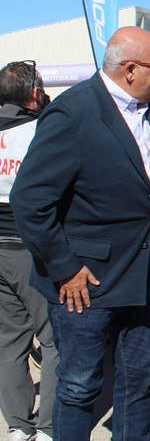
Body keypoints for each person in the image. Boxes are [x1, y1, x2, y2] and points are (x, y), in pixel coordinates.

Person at [10, 27, 150, 441]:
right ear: (129, 70)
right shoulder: (74, 112)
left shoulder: (148, 111)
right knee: (78, 385)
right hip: (84, 282)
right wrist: (65, 268)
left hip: (138, 276)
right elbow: (30, 201)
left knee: (139, 378)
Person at [0, 60, 57, 441]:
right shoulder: (41, 129)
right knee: (55, 342)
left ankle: (19, 425)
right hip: (30, 247)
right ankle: (52, 427)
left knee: (8, 340)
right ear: (34, 94)